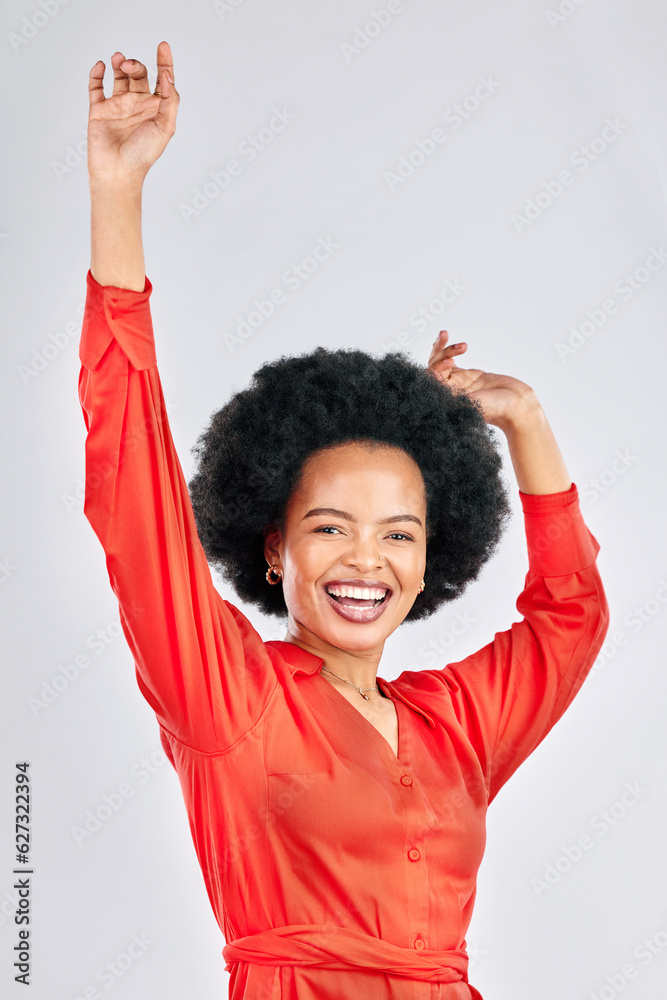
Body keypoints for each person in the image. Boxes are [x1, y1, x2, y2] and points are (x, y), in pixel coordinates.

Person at [80, 41, 609, 1000]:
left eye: (398, 534)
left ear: (428, 561)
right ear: (274, 548)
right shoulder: (231, 700)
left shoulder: (455, 725)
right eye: (330, 527)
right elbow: (134, 496)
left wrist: (524, 420)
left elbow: (570, 619)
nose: (366, 558)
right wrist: (117, 197)